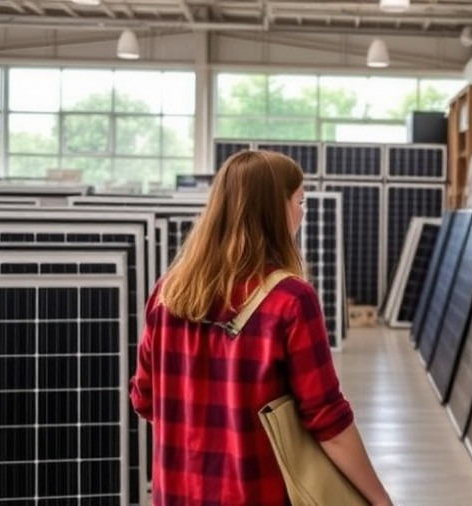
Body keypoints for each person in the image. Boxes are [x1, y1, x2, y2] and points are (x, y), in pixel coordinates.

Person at [130, 150, 392, 506]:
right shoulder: (290, 300)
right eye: (299, 201)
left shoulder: (167, 293)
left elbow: (145, 399)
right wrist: (379, 498)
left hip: (177, 494)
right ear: (275, 209)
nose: (302, 212)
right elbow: (328, 420)